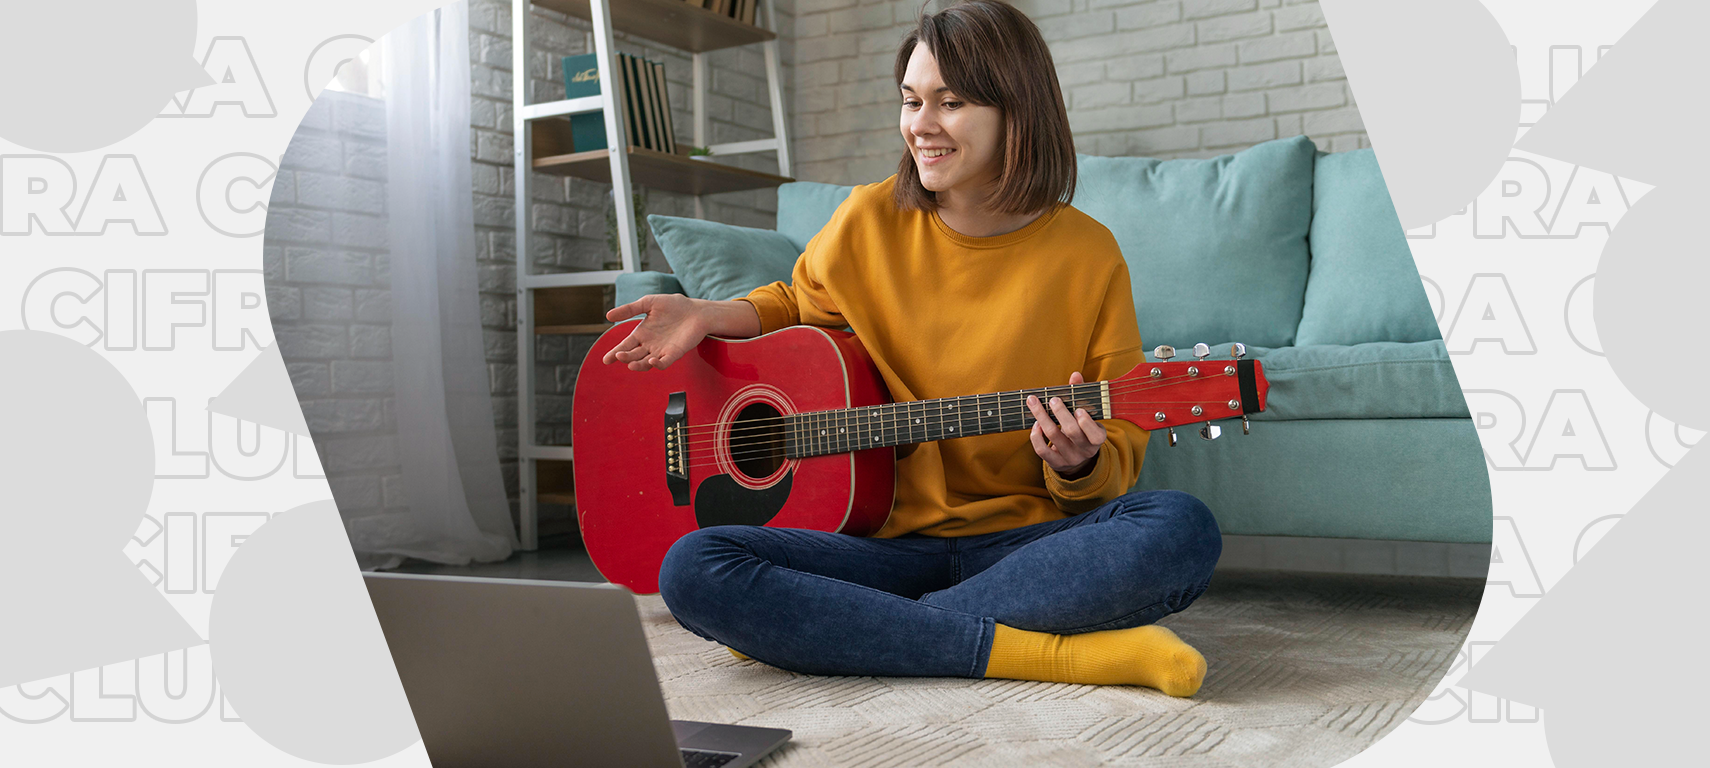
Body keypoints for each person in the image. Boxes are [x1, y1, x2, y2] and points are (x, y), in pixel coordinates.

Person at [599, 0, 1220, 697]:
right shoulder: (868, 218)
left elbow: (1120, 451)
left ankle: (842, 631)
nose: (920, 126)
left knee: (1179, 529)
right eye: (911, 100)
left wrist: (1078, 466)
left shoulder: (1088, 254)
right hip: (874, 545)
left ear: (1017, 109)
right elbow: (800, 304)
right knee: (693, 566)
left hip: (1021, 547)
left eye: (949, 103)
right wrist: (709, 312)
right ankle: (1047, 654)